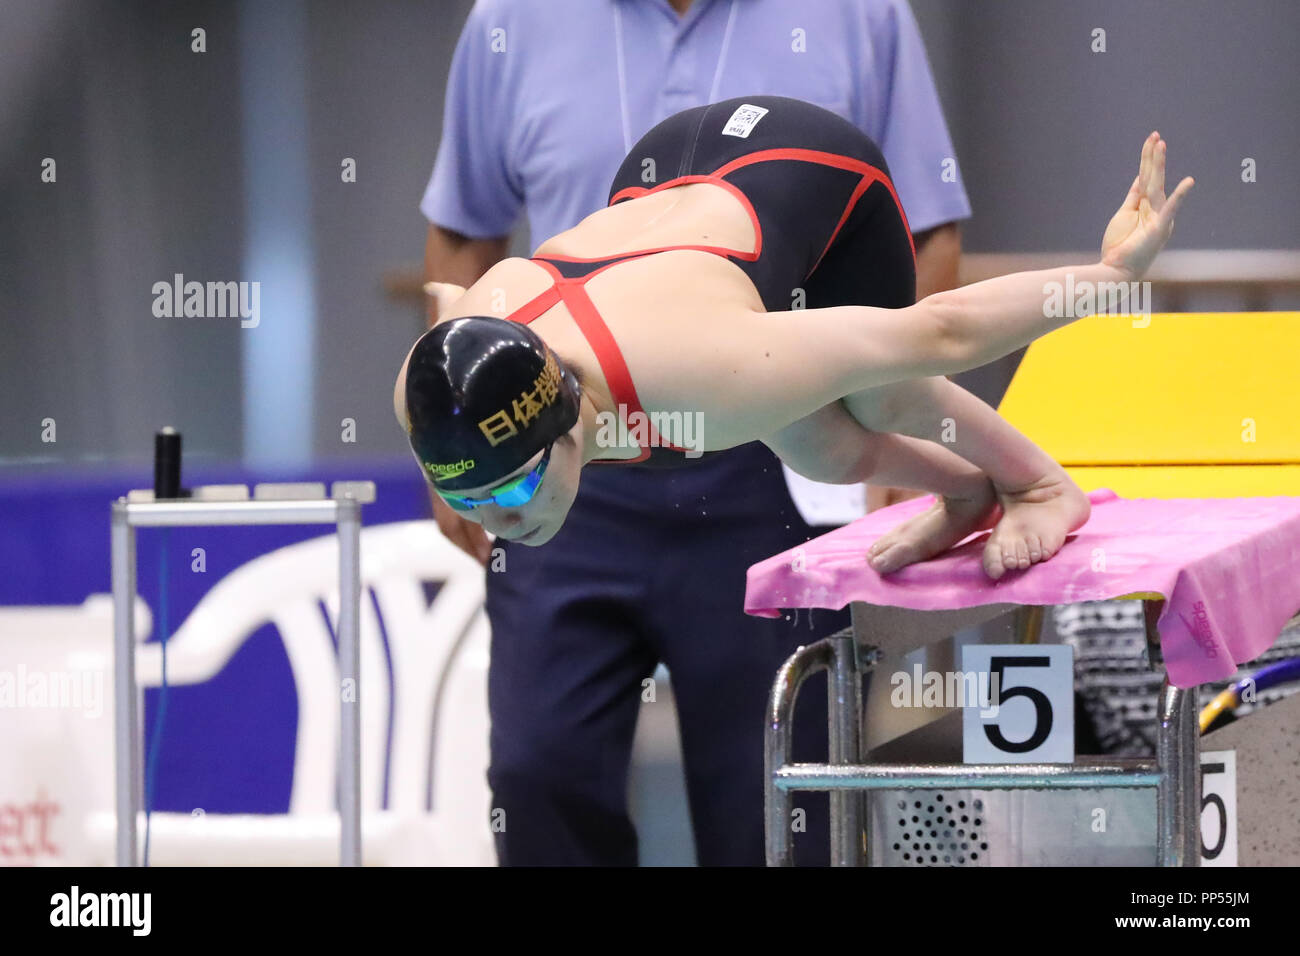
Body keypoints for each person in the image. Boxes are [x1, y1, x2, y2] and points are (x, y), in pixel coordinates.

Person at [422, 0, 970, 867]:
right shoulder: (514, 17)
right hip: (565, 454)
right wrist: (451, 452)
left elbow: (929, 233)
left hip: (773, 454)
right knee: (537, 778)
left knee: (779, 800)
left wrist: (883, 435)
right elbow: (460, 234)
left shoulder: (858, 13)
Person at [400, 98, 1192, 574]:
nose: (495, 521)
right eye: (467, 493)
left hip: (805, 166)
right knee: (816, 444)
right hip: (659, 169)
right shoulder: (427, 388)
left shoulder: (708, 376)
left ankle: (1040, 485)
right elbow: (446, 294)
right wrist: (480, 476)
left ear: (569, 424)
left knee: (874, 403)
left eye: (510, 489)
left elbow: (939, 332)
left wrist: (1111, 277)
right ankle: (966, 491)